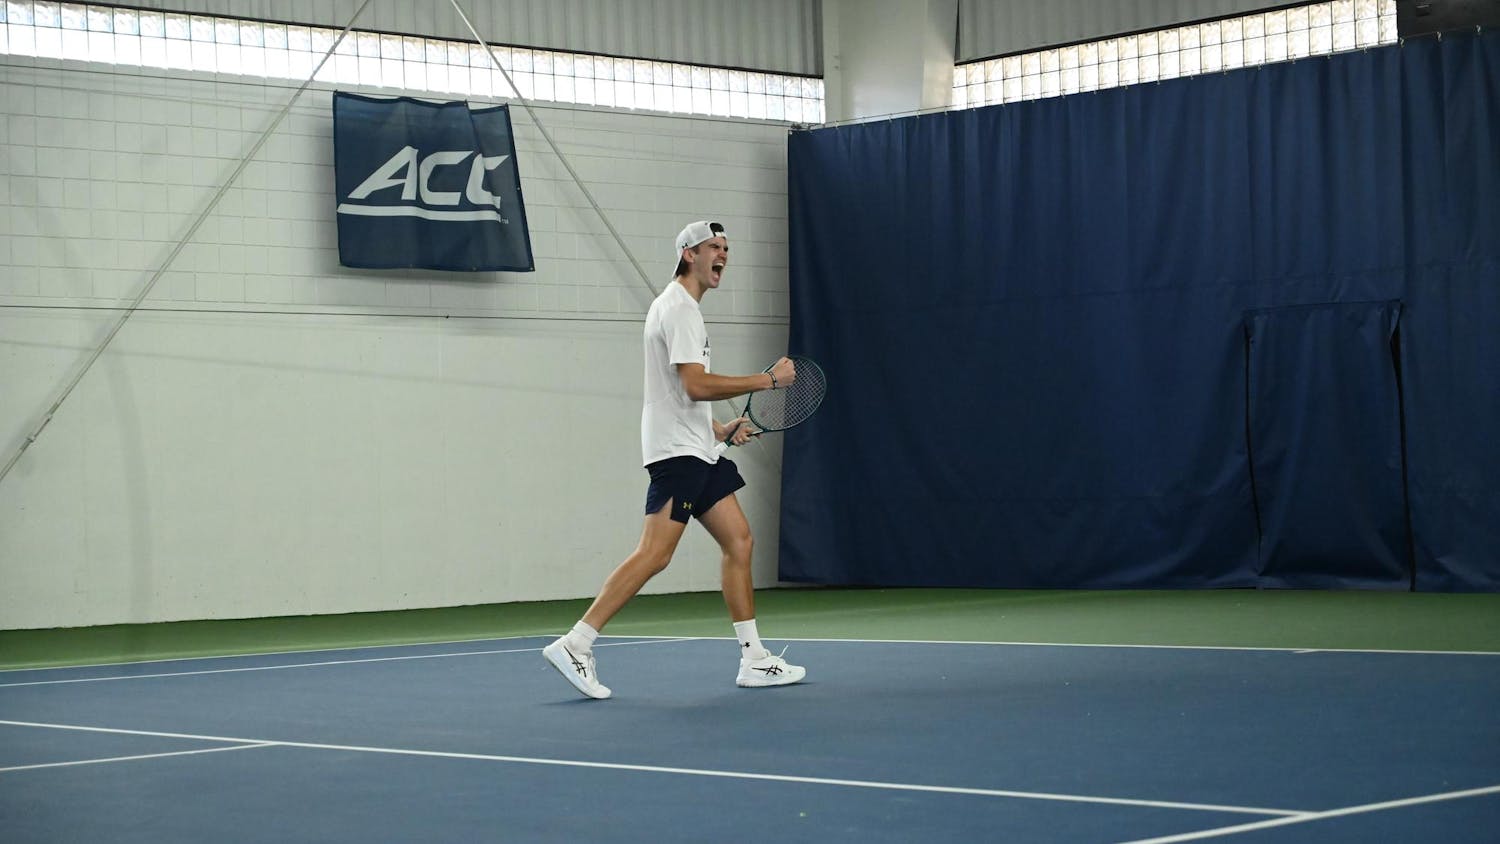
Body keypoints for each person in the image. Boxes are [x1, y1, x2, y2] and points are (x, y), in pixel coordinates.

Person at [542, 220, 805, 699]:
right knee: (656, 553)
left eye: (726, 248)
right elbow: (694, 385)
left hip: (695, 447)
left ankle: (754, 658)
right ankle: (577, 642)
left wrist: (717, 428)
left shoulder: (682, 309)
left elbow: (680, 394)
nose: (722, 255)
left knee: (740, 541)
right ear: (689, 254)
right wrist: (766, 380)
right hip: (677, 454)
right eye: (712, 247)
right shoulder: (680, 309)